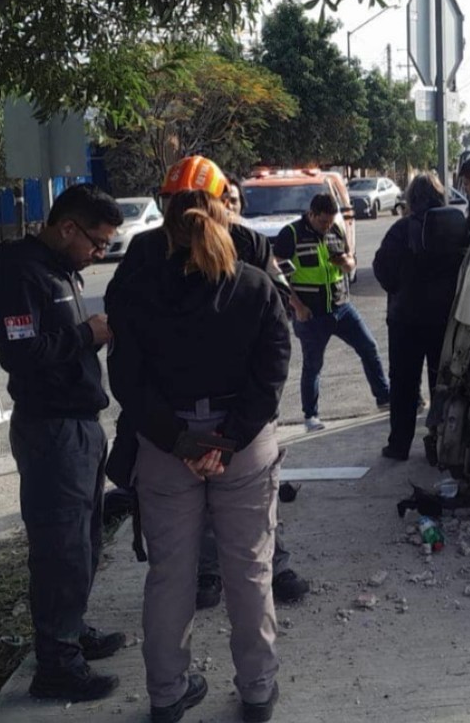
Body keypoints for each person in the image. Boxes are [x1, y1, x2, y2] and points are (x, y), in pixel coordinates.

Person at [108, 189, 290, 723]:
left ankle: (167, 695)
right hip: (243, 445)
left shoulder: (137, 292)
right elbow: (273, 371)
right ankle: (257, 692)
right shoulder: (255, 287)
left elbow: (127, 381)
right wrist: (228, 438)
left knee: (171, 575)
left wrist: (184, 443)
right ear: (224, 221)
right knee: (250, 570)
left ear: (166, 228)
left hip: (168, 449)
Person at [105, 157, 309, 608]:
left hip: (235, 411)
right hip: (169, 411)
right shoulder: (144, 252)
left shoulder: (248, 243)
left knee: (253, 506)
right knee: (191, 513)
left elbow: (273, 324)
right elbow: (125, 333)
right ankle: (208, 573)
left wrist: (235, 428)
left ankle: (271, 565)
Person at [0, 183, 126, 702]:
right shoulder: (21, 273)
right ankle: (57, 663)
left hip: (81, 425)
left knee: (85, 543)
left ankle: (73, 629)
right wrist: (88, 335)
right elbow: (20, 354)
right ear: (67, 227)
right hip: (50, 431)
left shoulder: (62, 268)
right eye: (97, 241)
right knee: (60, 551)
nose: (100, 252)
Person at [275, 193, 390, 430]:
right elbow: (278, 275)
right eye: (322, 222)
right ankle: (311, 416)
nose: (326, 226)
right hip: (311, 313)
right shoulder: (292, 234)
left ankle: (384, 397)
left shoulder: (335, 231)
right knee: (313, 365)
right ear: (311, 214)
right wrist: (297, 307)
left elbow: (351, 261)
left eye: (330, 222)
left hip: (341, 306)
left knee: (369, 347)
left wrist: (346, 263)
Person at [373, 173, 466, 460]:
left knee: (403, 383)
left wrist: (400, 289)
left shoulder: (401, 230)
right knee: (442, 381)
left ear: (411, 199)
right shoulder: (456, 227)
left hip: (406, 319)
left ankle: (399, 444)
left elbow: (382, 269)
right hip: (444, 318)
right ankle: (440, 443)